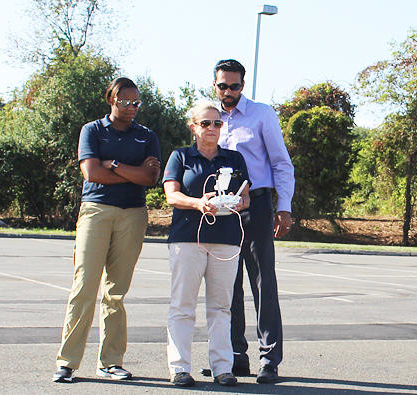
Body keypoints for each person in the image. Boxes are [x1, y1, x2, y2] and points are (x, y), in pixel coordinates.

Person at [52, 77, 161, 383]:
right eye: (125, 102)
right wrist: (132, 172)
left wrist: (112, 165)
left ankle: (111, 362)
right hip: (96, 211)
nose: (131, 108)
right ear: (111, 100)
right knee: (84, 287)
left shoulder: (147, 136)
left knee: (116, 292)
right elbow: (91, 172)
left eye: (136, 102)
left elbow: (150, 178)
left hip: (133, 214)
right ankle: (67, 362)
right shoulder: (93, 130)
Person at [210, 59, 294, 384]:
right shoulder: (210, 118)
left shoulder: (262, 114)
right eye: (222, 86)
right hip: (220, 210)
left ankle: (269, 359)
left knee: (262, 283)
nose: (228, 92)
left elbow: (281, 164)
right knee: (227, 285)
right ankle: (234, 357)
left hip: (255, 206)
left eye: (234, 86)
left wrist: (283, 207)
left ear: (242, 86)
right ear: (214, 85)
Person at [163, 101, 250, 387]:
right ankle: (179, 368)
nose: (212, 128)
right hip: (187, 240)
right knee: (183, 305)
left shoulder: (234, 159)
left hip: (226, 241)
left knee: (222, 307)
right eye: (205, 123)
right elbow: (172, 195)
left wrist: (234, 203)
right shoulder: (181, 156)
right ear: (193, 127)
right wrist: (198, 203)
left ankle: (223, 368)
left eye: (217, 124)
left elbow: (245, 196)